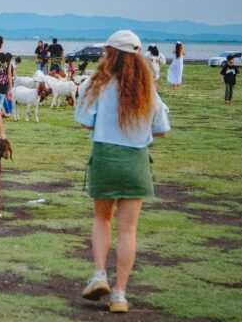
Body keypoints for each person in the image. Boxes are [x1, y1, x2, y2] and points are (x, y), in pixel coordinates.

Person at [75, 30, 170, 314]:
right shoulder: (147, 87)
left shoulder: (98, 83)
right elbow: (162, 128)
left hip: (105, 155)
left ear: (111, 53)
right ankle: (120, 294)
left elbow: (84, 121)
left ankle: (99, 275)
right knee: (128, 230)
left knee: (102, 219)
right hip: (136, 161)